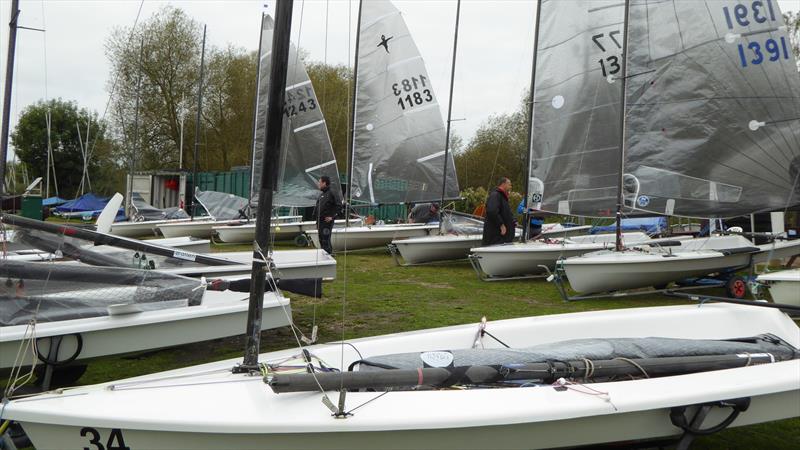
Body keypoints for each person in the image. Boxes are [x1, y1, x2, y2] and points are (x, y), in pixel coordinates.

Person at [482, 177, 515, 246]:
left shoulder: (503, 197)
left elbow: (506, 212)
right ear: (503, 184)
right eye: (509, 184)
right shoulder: (495, 195)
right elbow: (492, 211)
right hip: (496, 237)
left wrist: (514, 220)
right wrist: (501, 224)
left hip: (503, 238)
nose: (510, 187)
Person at [313, 176, 340, 254]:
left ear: (324, 183)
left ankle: (328, 257)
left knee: (325, 240)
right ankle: (325, 256)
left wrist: (332, 217)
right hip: (320, 222)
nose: (318, 184)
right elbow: (317, 207)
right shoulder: (322, 195)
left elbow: (339, 205)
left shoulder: (332, 192)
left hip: (326, 222)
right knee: (321, 240)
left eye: (319, 182)